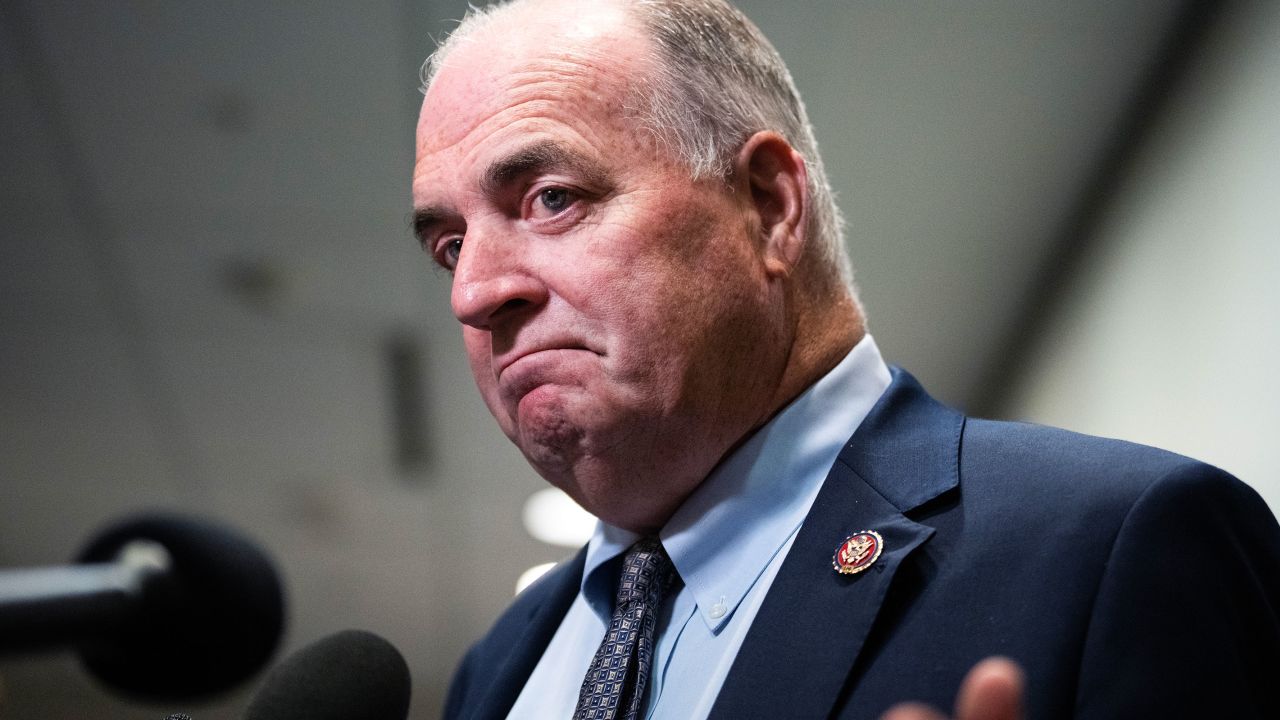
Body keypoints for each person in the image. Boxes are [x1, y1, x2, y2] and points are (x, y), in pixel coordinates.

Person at [410, 0, 1280, 718]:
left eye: (552, 198)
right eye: (450, 246)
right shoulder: (498, 671)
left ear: (769, 205)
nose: (475, 294)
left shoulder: (1120, 546)